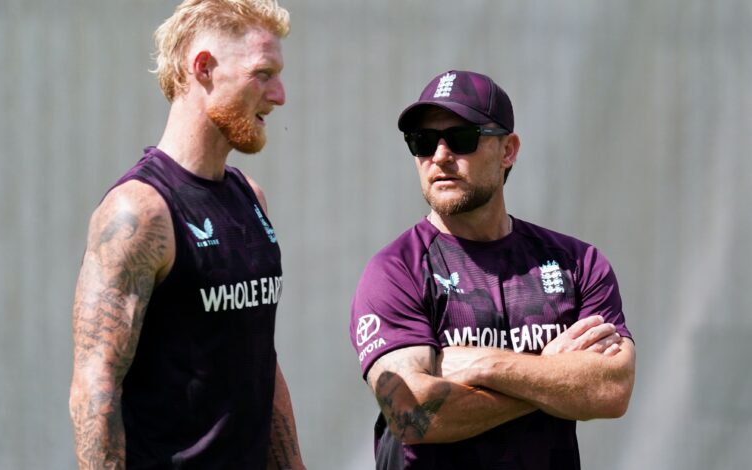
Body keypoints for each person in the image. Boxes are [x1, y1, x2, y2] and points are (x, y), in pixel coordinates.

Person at [349, 70, 636, 469]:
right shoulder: (396, 270)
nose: (440, 156)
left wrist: (486, 364)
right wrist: (552, 374)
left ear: (508, 151)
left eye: (462, 137)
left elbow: (612, 390)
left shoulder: (577, 262)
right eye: (423, 141)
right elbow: (411, 413)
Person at [69, 1, 305, 469]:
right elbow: (95, 386)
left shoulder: (250, 197)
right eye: (263, 74)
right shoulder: (140, 212)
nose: (279, 95)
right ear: (204, 68)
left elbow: (259, 358)